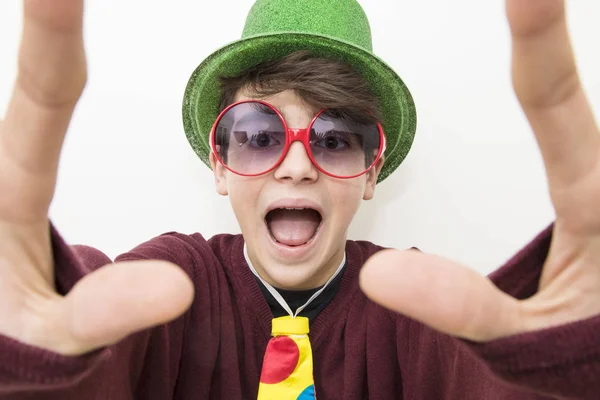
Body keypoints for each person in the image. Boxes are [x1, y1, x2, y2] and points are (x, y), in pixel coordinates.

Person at [0, 0, 599, 399]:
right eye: (259, 136)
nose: (294, 167)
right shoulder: (170, 281)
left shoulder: (418, 301)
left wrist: (555, 363)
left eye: (334, 140)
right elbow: (93, 352)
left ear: (371, 173)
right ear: (220, 164)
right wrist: (33, 361)